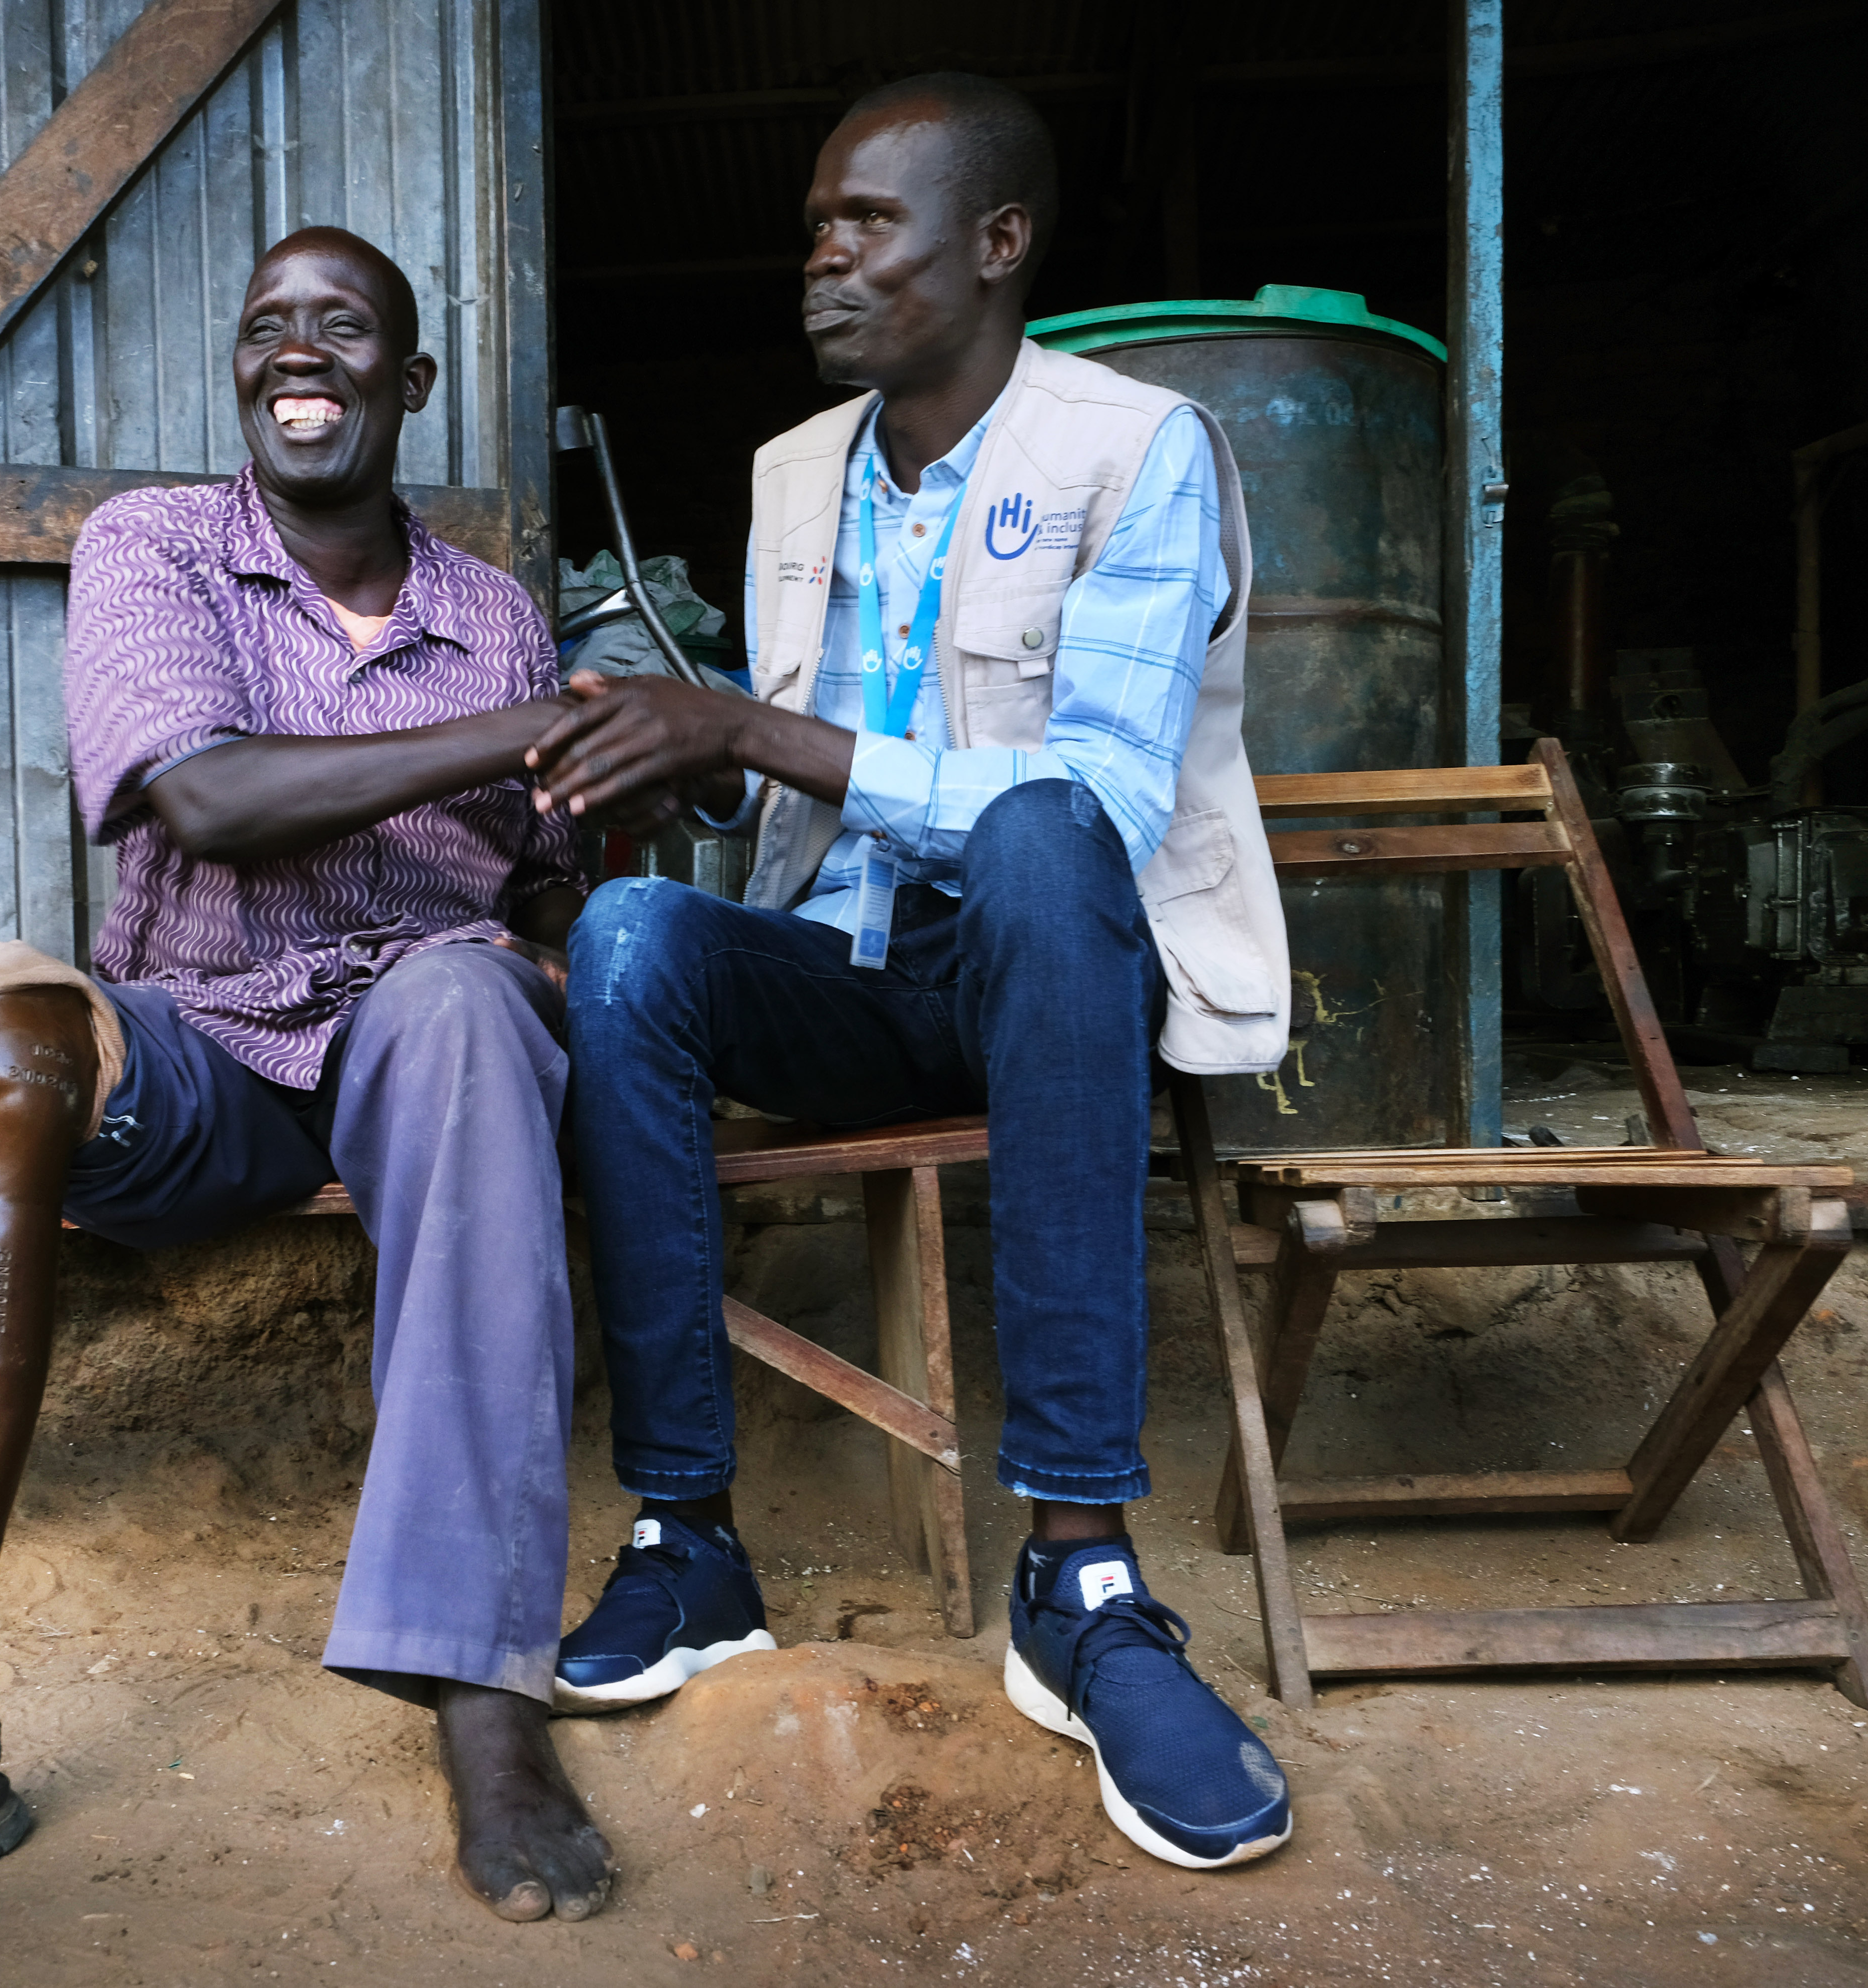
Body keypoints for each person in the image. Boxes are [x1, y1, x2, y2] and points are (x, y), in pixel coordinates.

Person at [0, 226, 618, 1925]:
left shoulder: (495, 612)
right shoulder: (156, 548)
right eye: (268, 328)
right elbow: (210, 802)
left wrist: (589, 835)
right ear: (244, 373)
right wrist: (531, 729)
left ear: (409, 383)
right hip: (211, 1043)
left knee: (474, 1004)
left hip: (425, 1026)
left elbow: (532, 873)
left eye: (343, 329)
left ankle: (489, 1706)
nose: (299, 351)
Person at [527, 73, 1298, 1872]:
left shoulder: (1138, 449)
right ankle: (686, 1539)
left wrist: (759, 736)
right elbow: (784, 783)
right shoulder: (796, 472)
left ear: (999, 245)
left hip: (1050, 987)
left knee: (1038, 839)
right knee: (633, 933)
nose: (822, 257)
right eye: (817, 223)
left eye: (866, 222)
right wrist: (692, 749)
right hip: (850, 978)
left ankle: (1082, 1579)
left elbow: (1096, 807)